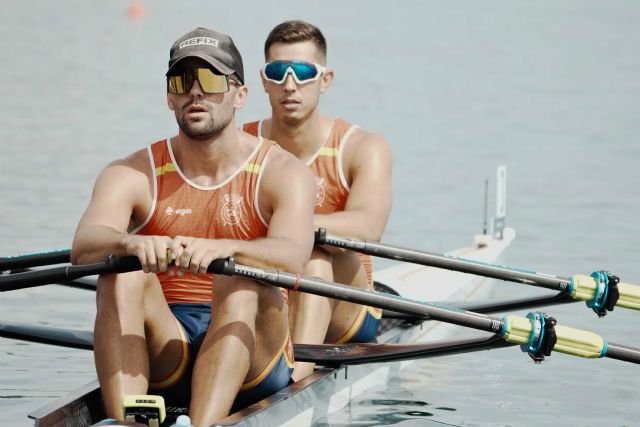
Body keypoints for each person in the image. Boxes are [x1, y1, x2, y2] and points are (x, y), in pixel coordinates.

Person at [71, 27, 316, 426]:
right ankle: (127, 421)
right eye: (182, 81)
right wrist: (128, 244)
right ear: (170, 97)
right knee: (120, 274)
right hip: (170, 344)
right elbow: (83, 245)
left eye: (212, 79)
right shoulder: (131, 172)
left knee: (238, 279)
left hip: (255, 357)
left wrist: (226, 250)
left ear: (240, 95)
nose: (195, 92)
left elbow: (293, 255)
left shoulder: (283, 171)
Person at [243, 20, 392, 381]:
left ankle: (294, 382)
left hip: (348, 309)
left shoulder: (361, 148)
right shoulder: (241, 145)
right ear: (263, 80)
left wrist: (292, 231)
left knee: (313, 255)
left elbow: (368, 227)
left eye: (303, 72)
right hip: (270, 291)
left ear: (324, 80)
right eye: (278, 72)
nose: (290, 84)